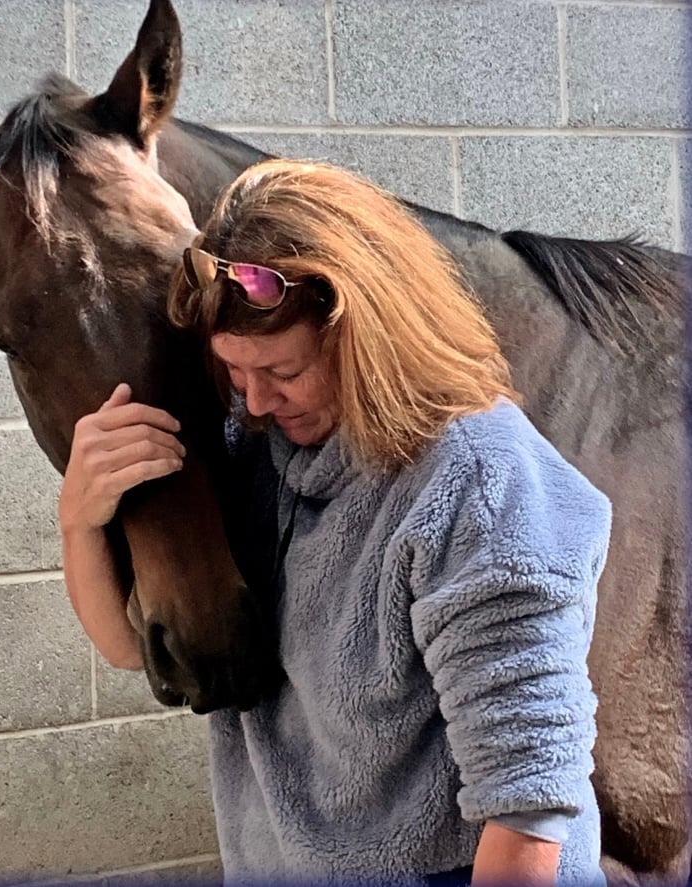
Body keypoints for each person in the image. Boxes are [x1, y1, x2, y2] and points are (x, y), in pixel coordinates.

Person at [58, 159, 611, 886]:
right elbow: (129, 646)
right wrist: (80, 516)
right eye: (235, 371)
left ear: (365, 338)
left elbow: (529, 810)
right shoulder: (257, 446)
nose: (255, 402)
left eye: (283, 373)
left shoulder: (477, 484)